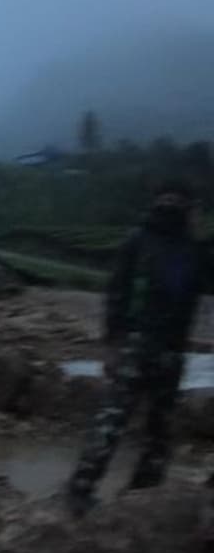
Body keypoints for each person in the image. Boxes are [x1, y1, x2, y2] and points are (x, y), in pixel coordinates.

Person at [65, 181, 205, 516]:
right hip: (149, 346)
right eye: (168, 199)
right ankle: (103, 493)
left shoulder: (179, 246)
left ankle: (119, 493)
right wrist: (114, 344)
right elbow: (121, 294)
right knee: (133, 423)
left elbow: (186, 298)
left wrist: (113, 344)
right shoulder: (154, 243)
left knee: (139, 424)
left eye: (175, 199)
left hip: (156, 347)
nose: (171, 204)